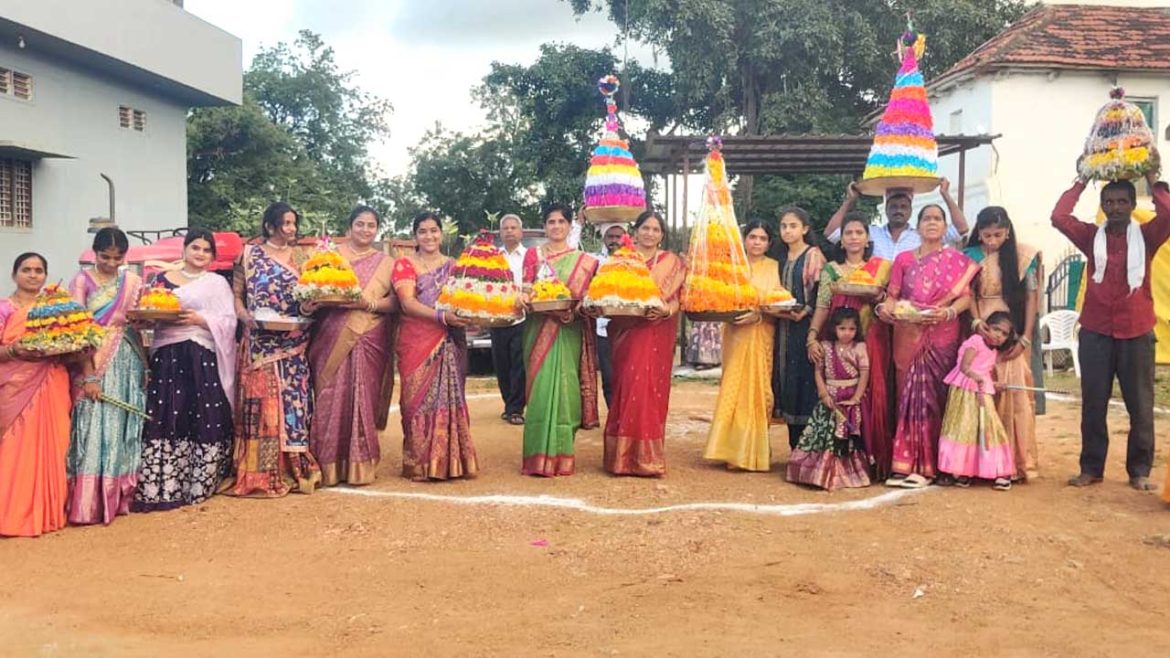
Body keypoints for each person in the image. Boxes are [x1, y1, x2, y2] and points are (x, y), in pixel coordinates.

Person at [1052, 170, 1170, 491]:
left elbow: (1169, 212)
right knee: (1093, 403)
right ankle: (1091, 469)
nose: (1116, 207)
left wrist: (1151, 176)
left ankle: (1139, 471)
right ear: (1102, 206)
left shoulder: (1147, 235)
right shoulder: (1091, 236)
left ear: (1133, 204)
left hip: (1137, 331)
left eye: (1122, 201)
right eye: (1109, 202)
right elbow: (1059, 216)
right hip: (1095, 332)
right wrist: (1081, 181)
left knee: (1140, 406)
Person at [133, 229, 237, 512]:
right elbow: (150, 311)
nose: (200, 254)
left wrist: (201, 319)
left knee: (204, 412)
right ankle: (162, 485)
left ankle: (201, 483)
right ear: (184, 249)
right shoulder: (161, 281)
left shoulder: (216, 283)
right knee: (167, 412)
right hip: (169, 355)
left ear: (212, 256)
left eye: (206, 250)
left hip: (201, 354)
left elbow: (229, 321)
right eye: (195, 248)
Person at [223, 202, 321, 497]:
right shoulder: (249, 254)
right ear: (269, 226)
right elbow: (237, 296)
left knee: (294, 404)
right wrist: (244, 317)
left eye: (293, 223)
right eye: (285, 223)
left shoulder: (303, 258)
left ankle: (293, 468)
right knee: (261, 406)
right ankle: (259, 471)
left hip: (293, 341)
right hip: (259, 343)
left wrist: (309, 307)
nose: (291, 229)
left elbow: (306, 299)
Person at [877, 204, 979, 489]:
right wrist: (885, 310)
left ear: (945, 227)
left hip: (942, 334)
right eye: (926, 219)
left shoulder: (956, 260)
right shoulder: (903, 259)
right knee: (907, 397)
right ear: (918, 226)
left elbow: (966, 298)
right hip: (908, 333)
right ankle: (906, 464)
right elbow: (892, 295)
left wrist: (947, 312)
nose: (932, 223)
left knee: (938, 397)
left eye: (937, 219)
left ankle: (939, 465)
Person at [307, 205, 397, 486]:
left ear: (377, 229)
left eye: (371, 225)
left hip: (369, 334)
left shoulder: (387, 262)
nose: (365, 230)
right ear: (349, 227)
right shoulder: (328, 256)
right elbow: (311, 291)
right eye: (360, 224)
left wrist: (367, 303)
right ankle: (327, 464)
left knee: (363, 398)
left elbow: (396, 304)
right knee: (329, 395)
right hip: (330, 334)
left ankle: (360, 466)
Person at [66, 228, 146, 525]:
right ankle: (87, 503)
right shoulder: (80, 282)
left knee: (120, 426)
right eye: (104, 257)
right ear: (94, 253)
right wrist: (88, 376)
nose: (111, 263)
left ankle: (118, 497)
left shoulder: (134, 281)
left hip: (127, 358)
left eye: (118, 257)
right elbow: (77, 331)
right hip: (92, 358)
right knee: (92, 422)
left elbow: (138, 321)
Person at [807, 213, 895, 479]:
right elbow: (823, 306)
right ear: (842, 240)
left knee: (873, 394)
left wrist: (879, 297)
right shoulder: (831, 270)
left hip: (872, 338)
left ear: (868, 238)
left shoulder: (882, 268)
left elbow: (889, 302)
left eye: (859, 232)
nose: (854, 237)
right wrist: (812, 336)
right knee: (836, 394)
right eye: (849, 233)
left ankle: (872, 460)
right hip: (837, 340)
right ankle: (837, 461)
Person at [392, 212, 479, 481]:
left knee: (451, 399)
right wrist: (442, 316)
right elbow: (407, 303)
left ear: (442, 234)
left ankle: (450, 461)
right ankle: (419, 462)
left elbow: (465, 300)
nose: (429, 236)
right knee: (413, 402)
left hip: (451, 339)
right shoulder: (405, 265)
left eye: (433, 230)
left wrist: (471, 317)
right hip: (417, 341)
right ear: (415, 236)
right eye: (422, 231)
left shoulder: (455, 266)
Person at [600, 210, 685, 477]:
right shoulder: (621, 259)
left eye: (656, 229)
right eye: (645, 228)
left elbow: (681, 296)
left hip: (657, 330)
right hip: (625, 330)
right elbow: (606, 291)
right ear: (635, 231)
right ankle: (623, 458)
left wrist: (666, 311)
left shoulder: (671, 262)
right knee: (626, 386)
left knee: (650, 388)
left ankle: (647, 458)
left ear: (662, 235)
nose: (650, 233)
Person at [519, 204, 600, 476]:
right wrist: (524, 298)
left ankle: (562, 455)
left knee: (566, 389)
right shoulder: (533, 255)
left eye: (561, 222)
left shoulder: (584, 261)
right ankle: (536, 457)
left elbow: (586, 298)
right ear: (545, 226)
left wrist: (573, 311)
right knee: (540, 390)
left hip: (568, 330)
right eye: (551, 222)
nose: (555, 226)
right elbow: (526, 288)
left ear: (568, 226)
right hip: (538, 327)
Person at [965, 207, 1043, 482]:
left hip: (1013, 327)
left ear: (1007, 232)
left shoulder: (1024, 255)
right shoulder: (971, 255)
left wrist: (1025, 337)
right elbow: (968, 293)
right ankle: (982, 464)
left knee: (1014, 395)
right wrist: (976, 323)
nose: (992, 241)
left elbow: (1032, 297)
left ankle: (1017, 462)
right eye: (986, 235)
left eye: (998, 235)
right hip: (981, 329)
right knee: (980, 392)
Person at [0, 253, 73, 537]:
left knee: (54, 446)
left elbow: (74, 341)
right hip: (15, 384)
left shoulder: (56, 308)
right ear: (14, 274)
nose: (33, 275)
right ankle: (10, 515)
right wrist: (16, 351)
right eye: (26, 270)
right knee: (13, 448)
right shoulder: (4, 309)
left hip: (52, 379)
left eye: (39, 270)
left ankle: (46, 514)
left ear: (45, 275)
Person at [703, 221, 781, 472]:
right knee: (734, 387)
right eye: (753, 237)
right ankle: (730, 450)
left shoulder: (774, 267)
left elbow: (778, 301)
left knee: (759, 391)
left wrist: (758, 315)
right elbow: (719, 297)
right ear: (744, 239)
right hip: (735, 332)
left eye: (762, 238)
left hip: (762, 332)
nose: (757, 242)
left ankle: (752, 451)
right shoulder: (731, 268)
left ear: (769, 243)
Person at [787, 307, 871, 490]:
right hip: (829, 399)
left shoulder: (860, 347)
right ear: (834, 328)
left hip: (849, 400)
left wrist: (856, 398)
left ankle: (844, 474)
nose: (847, 333)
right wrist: (824, 394)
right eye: (842, 329)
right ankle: (818, 474)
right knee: (823, 436)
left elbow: (865, 374)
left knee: (845, 439)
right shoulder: (825, 346)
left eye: (851, 329)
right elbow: (818, 372)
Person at [937, 311, 1017, 491]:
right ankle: (962, 471)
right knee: (964, 429)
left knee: (990, 428)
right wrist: (978, 379)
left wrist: (994, 384)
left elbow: (984, 373)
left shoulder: (994, 351)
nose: (999, 335)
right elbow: (965, 367)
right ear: (986, 326)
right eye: (996, 329)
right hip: (965, 392)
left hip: (982, 393)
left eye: (1004, 334)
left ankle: (1000, 471)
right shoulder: (976, 342)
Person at [771, 206, 820, 448]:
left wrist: (806, 311)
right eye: (784, 226)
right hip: (781, 328)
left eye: (793, 226)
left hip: (805, 326)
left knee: (805, 380)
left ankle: (808, 448)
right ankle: (794, 447)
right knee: (785, 379)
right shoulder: (778, 258)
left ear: (805, 229)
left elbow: (820, 292)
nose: (788, 231)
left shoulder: (813, 255)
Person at [822, 179, 970, 259]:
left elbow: (961, 228)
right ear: (886, 209)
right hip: (873, 298)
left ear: (911, 210)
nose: (898, 210)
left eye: (903, 207)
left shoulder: (923, 236)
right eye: (893, 206)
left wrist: (945, 195)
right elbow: (831, 233)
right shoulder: (871, 234)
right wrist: (850, 201)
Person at [492, 214, 528, 425]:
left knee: (519, 364)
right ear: (500, 232)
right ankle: (509, 403)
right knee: (501, 364)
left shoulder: (530, 256)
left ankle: (516, 408)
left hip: (522, 317)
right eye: (505, 228)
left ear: (521, 232)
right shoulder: (494, 257)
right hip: (497, 319)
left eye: (514, 227)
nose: (509, 231)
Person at [594, 223, 627, 408]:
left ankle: (628, 416)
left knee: (628, 373)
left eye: (618, 236)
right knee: (609, 375)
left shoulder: (634, 261)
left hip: (630, 325)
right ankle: (614, 415)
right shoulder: (595, 261)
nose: (614, 240)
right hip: (603, 326)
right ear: (603, 239)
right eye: (610, 236)